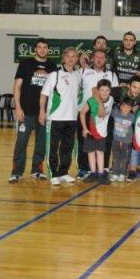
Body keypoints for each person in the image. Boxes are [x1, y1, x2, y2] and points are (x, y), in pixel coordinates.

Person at [10, 37, 57, 183]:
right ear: (35, 49)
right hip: (26, 111)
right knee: (21, 142)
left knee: (41, 143)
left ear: (48, 50)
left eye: (45, 47)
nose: (42, 50)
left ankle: (37, 170)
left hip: (44, 112)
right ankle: (17, 171)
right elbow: (17, 86)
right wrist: (18, 107)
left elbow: (55, 90)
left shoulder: (52, 66)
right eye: (39, 47)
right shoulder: (25, 64)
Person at [39, 47, 81, 185]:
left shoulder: (78, 74)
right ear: (63, 58)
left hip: (72, 118)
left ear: (77, 59)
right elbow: (44, 95)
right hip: (55, 118)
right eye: (68, 56)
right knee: (53, 147)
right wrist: (42, 112)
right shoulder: (54, 75)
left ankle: (63, 172)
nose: (71, 59)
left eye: (74, 56)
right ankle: (53, 173)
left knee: (67, 147)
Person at [77, 49, 119, 179]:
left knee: (104, 141)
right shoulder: (83, 72)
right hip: (86, 112)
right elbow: (90, 89)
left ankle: (103, 169)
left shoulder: (111, 75)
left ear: (106, 60)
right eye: (97, 57)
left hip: (105, 115)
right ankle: (84, 169)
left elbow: (115, 93)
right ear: (92, 59)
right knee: (84, 141)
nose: (99, 60)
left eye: (102, 57)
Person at [79, 79, 114, 184]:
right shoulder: (91, 100)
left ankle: (101, 174)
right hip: (91, 131)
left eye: (107, 90)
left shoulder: (111, 99)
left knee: (100, 152)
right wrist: (84, 128)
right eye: (102, 90)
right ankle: (93, 173)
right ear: (98, 91)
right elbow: (82, 113)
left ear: (110, 91)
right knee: (91, 153)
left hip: (102, 133)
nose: (104, 92)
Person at [110, 97, 135, 183]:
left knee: (125, 158)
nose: (126, 108)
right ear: (120, 106)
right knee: (116, 157)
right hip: (116, 140)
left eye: (128, 107)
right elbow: (107, 111)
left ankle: (123, 174)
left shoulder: (132, 117)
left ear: (131, 108)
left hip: (126, 142)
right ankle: (115, 173)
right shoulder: (116, 113)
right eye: (124, 106)